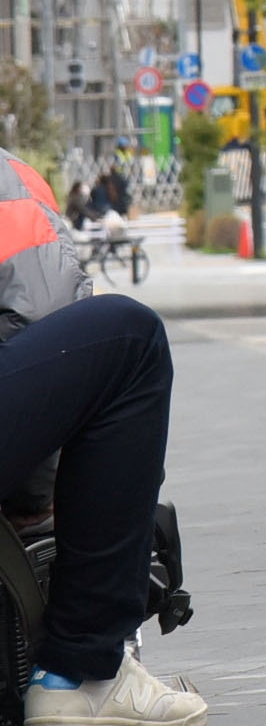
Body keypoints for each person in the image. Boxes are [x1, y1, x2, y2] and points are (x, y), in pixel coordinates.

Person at [0, 149, 207, 724]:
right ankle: (82, 673)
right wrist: (35, 508)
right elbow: (38, 309)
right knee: (129, 340)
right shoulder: (8, 182)